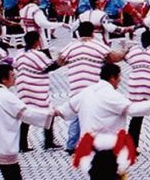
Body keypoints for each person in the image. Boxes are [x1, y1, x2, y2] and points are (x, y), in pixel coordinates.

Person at [54, 21, 127, 151]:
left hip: (76, 84)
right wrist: (124, 51)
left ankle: (71, 145)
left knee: (76, 114)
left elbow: (60, 60)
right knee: (91, 114)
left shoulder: (71, 46)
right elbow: (113, 58)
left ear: (78, 32)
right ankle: (91, 142)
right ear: (92, 32)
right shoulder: (98, 45)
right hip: (93, 87)